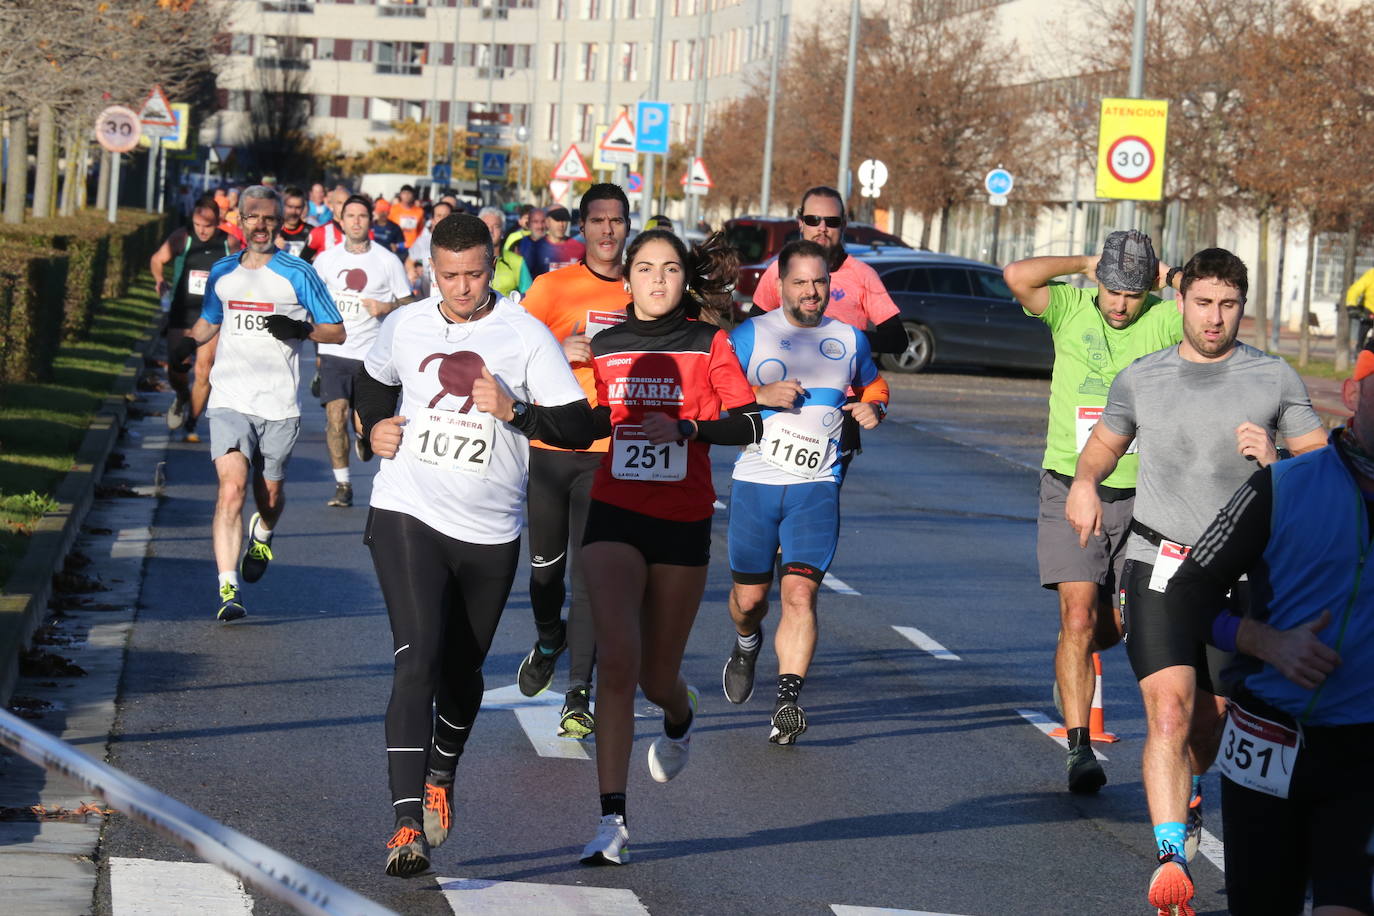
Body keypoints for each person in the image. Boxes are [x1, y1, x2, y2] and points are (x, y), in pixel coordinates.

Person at [1065, 248, 1327, 916]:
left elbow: (1324, 474)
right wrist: (1087, 485)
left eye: (1229, 305)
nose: (1214, 319)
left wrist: (1275, 463)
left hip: (1242, 576)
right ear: (1178, 300)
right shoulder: (1142, 378)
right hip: (1160, 565)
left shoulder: (1273, 378)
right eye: (1203, 303)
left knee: (1208, 726)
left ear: (1244, 306)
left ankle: (1188, 791)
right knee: (1170, 712)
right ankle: (1170, 857)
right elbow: (1103, 444)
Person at [353, 213, 595, 877]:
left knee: (462, 672)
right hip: (406, 510)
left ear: (492, 268)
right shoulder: (405, 323)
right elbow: (372, 380)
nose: (462, 288)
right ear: (433, 269)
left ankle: (441, 770)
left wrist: (515, 410)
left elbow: (576, 425)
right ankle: (406, 824)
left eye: (475, 274)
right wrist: (372, 427)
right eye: (450, 275)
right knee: (417, 658)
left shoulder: (524, 334)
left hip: (490, 532)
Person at [1165, 342, 1374, 916]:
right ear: (1354, 394)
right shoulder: (1283, 486)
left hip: (1364, 753)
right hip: (1269, 736)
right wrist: (1267, 642)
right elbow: (1183, 595)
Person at [578, 229, 763, 867]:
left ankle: (681, 715)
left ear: (686, 279)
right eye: (646, 268)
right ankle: (612, 822)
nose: (658, 280)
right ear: (626, 279)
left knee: (658, 677)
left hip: (681, 522)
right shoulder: (605, 347)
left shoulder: (709, 342)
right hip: (614, 512)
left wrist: (686, 425)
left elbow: (749, 421)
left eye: (670, 269)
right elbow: (591, 419)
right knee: (618, 664)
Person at [1003, 230, 1184, 795]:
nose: (1121, 305)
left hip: (1145, 495)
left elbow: (1216, 314)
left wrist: (1172, 278)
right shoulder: (1069, 307)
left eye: (1132, 294)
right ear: (1097, 282)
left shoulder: (1162, 318)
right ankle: (1079, 748)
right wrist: (1084, 263)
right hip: (1069, 485)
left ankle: (1071, 662)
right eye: (1112, 291)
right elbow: (1016, 275)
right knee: (1077, 618)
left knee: (1126, 623)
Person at [723, 239, 890, 744]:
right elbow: (713, 401)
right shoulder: (750, 335)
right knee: (750, 599)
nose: (812, 291)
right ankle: (746, 642)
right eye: (800, 282)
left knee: (799, 593)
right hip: (756, 481)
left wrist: (874, 408)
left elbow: (875, 385)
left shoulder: (850, 338)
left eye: (819, 282)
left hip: (816, 486)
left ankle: (787, 702)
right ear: (779, 285)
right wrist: (758, 396)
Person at [167, 186, 344, 622]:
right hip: (230, 397)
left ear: (279, 221)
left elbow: (335, 331)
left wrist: (300, 331)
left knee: (270, 496)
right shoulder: (224, 271)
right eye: (252, 217)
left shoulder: (297, 273)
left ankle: (263, 532)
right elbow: (212, 318)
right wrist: (188, 343)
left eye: (268, 218)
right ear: (240, 221)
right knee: (231, 490)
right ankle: (229, 589)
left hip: (279, 403)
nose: (260, 225)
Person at [513, 184, 631, 740]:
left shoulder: (643, 289)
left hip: (608, 452)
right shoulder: (552, 287)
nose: (608, 231)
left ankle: (577, 692)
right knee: (543, 575)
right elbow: (510, 350)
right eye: (598, 221)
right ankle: (547, 638)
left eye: (617, 221)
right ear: (583, 227)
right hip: (551, 449)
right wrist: (560, 347)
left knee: (590, 577)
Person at [749, 186, 905, 480]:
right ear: (800, 223)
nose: (822, 228)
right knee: (769, 490)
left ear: (844, 226)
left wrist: (842, 341)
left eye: (831, 222)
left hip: (839, 403)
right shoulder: (778, 271)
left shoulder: (862, 275)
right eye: (813, 219)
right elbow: (752, 329)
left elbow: (898, 338)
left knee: (820, 497)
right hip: (782, 400)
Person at [310, 194, 415, 507]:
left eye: (362, 216)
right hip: (335, 351)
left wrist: (387, 306)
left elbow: (409, 303)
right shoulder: (326, 260)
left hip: (373, 356)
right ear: (340, 221)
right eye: (350, 216)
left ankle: (363, 436)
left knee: (361, 423)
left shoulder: (386, 260)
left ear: (370, 221)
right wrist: (316, 338)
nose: (356, 221)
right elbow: (311, 300)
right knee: (335, 416)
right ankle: (343, 486)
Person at [150, 201, 241, 442]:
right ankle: (181, 396)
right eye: (198, 224)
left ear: (218, 222)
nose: (202, 230)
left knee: (204, 369)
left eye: (208, 226)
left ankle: (191, 421)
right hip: (182, 311)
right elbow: (157, 259)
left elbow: (242, 273)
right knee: (176, 364)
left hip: (211, 314)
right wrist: (160, 280)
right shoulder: (182, 237)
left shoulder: (229, 243)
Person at [478, 207, 533, 299]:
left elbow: (530, 296)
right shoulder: (468, 259)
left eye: (496, 226)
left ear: (503, 232)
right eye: (486, 226)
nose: (490, 231)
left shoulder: (517, 261)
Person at [406, 199, 454, 297]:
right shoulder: (423, 241)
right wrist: (412, 272)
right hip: (426, 297)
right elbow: (409, 262)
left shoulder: (460, 243)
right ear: (432, 220)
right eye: (439, 216)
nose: (443, 219)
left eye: (446, 216)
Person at [303, 186, 348, 263]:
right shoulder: (319, 232)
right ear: (331, 206)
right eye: (339, 203)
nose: (344, 207)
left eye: (347, 203)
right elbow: (302, 263)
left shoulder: (361, 232)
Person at [542, 206, 586, 272]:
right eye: (557, 220)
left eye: (564, 220)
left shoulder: (581, 248)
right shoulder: (535, 247)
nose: (561, 225)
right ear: (547, 222)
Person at [274, 186, 312, 257]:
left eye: (298, 207)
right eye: (290, 207)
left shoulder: (312, 232)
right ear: (282, 206)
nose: (293, 212)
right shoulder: (273, 231)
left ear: (303, 207)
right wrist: (273, 250)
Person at [1345, 266, 1374, 356]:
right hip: (1369, 311)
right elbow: (1356, 289)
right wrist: (1351, 304)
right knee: (1363, 334)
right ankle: (1360, 352)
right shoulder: (1371, 275)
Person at [515, 207, 551, 277]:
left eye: (543, 222)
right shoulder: (519, 244)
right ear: (528, 224)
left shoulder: (554, 244)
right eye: (535, 222)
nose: (540, 226)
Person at [390, 184, 425, 252]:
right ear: (400, 195)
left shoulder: (420, 211)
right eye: (404, 193)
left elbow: (421, 230)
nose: (406, 195)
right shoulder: (393, 209)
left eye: (409, 193)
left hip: (413, 247)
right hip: (397, 246)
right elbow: (389, 227)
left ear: (413, 195)